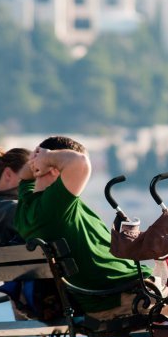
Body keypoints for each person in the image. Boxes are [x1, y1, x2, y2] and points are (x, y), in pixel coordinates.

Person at [14, 135, 152, 319]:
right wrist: (46, 158)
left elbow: (23, 174)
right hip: (124, 295)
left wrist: (39, 159)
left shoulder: (27, 206)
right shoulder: (54, 206)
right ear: (55, 170)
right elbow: (81, 163)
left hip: (105, 299)